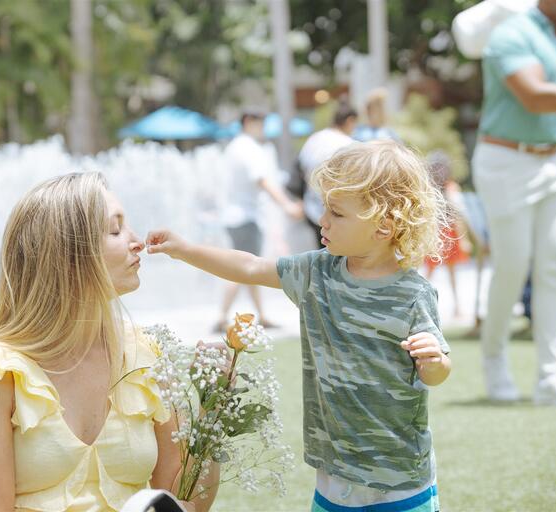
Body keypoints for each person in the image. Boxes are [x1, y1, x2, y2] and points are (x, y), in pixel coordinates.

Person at [147, 141, 451, 512]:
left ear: (384, 225)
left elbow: (435, 373)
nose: (322, 220)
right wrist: (185, 250)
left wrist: (434, 362)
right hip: (333, 479)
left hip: (400, 483)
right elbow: (251, 266)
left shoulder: (413, 294)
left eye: (336, 213)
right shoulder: (314, 274)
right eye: (324, 207)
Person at [0, 173, 218, 512]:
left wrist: (213, 410)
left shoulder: (146, 354)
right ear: (69, 254)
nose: (137, 242)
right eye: (115, 230)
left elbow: (184, 501)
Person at [471, 0, 556, 404]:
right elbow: (535, 97)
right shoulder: (511, 34)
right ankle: (494, 361)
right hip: (507, 160)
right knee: (513, 265)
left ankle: (553, 376)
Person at [216, 110, 304, 331]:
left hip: (235, 217)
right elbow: (262, 180)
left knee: (248, 267)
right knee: (242, 269)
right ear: (248, 122)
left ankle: (261, 315)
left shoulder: (235, 146)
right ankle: (221, 316)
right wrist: (286, 205)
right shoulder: (248, 147)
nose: (263, 129)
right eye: (261, 124)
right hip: (246, 218)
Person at [297, 101, 358, 248]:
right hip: (337, 212)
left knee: (321, 253)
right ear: (350, 121)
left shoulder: (314, 138)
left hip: (312, 207)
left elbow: (300, 167)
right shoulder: (348, 145)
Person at [423, 151, 471, 320]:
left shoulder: (450, 188)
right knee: (429, 271)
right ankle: (419, 303)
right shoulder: (428, 189)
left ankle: (457, 307)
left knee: (451, 272)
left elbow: (457, 215)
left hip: (449, 232)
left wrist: (463, 239)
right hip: (435, 232)